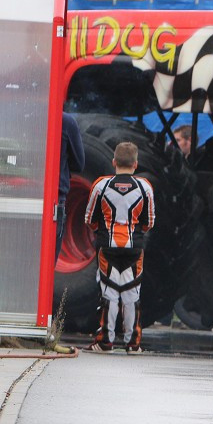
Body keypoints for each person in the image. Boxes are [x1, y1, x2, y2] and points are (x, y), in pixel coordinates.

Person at [84, 142, 155, 353]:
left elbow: (89, 218)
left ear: (114, 162)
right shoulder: (145, 187)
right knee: (132, 294)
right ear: (136, 164)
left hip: (108, 246)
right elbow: (149, 221)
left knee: (109, 293)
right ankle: (133, 344)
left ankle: (105, 341)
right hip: (135, 248)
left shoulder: (100, 185)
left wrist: (103, 232)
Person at [56, 112, 85, 262]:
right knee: (48, 261)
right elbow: (79, 164)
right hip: (55, 200)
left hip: (22, 194)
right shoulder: (66, 121)